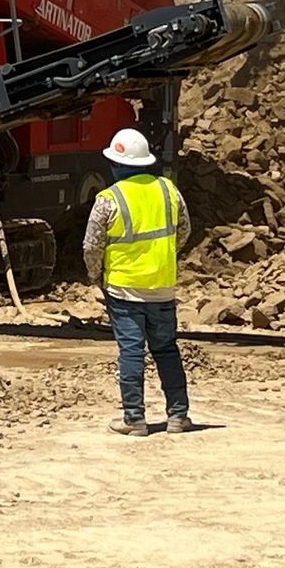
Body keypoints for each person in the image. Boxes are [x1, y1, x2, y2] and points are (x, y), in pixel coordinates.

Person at [82, 126, 192, 436]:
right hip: (162, 287)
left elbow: (92, 245)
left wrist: (95, 276)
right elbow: (183, 231)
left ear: (118, 166)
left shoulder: (108, 199)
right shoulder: (169, 190)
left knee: (131, 352)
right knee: (167, 350)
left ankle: (135, 419)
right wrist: (164, 256)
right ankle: (178, 416)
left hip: (124, 290)